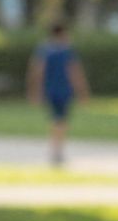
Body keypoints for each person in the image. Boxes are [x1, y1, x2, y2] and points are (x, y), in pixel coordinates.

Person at [27, 20, 90, 167]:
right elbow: (75, 72)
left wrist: (34, 90)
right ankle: (57, 150)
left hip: (50, 90)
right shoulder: (66, 51)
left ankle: (56, 149)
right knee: (60, 121)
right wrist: (82, 91)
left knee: (57, 120)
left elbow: (37, 72)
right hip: (62, 91)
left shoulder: (44, 50)